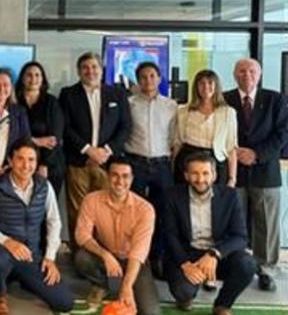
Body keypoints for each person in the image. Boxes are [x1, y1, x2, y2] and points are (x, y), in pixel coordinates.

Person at [0, 138, 74, 315]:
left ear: (36, 163)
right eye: (20, 159)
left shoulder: (44, 186)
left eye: (31, 160)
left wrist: (50, 257)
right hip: (3, 251)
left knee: (64, 302)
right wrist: (8, 242)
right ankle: (0, 292)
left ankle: (21, 279)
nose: (26, 165)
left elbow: (54, 221)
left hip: (31, 256)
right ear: (10, 160)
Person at [163, 152, 258, 315]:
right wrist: (185, 264)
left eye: (205, 173)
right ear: (186, 175)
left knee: (247, 264)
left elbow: (240, 236)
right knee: (183, 292)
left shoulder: (229, 196)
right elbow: (169, 235)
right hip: (187, 254)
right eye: (195, 173)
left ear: (214, 175)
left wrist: (214, 254)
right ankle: (187, 295)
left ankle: (222, 307)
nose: (200, 179)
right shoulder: (172, 196)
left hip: (216, 254)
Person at [224, 58, 288, 292]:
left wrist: (257, 154)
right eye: (242, 71)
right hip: (234, 171)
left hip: (265, 171)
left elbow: (283, 133)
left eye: (252, 71)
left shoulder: (275, 99)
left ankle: (266, 269)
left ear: (259, 75)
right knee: (234, 222)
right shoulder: (224, 99)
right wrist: (236, 153)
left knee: (267, 223)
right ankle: (236, 266)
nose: (247, 75)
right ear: (235, 75)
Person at [74, 157, 160, 315]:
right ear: (107, 176)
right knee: (81, 258)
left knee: (150, 313)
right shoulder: (91, 200)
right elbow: (82, 235)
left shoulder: (145, 209)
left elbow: (138, 252)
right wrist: (105, 255)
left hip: (133, 261)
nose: (120, 181)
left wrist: (127, 287)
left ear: (132, 179)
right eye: (115, 175)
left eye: (125, 176)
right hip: (105, 256)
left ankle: (123, 285)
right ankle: (102, 285)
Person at [59, 52, 131, 249]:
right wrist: (88, 150)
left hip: (108, 164)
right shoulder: (68, 94)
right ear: (78, 71)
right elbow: (65, 127)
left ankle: (104, 252)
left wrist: (105, 151)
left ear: (101, 70)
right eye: (85, 67)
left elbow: (125, 127)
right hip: (78, 162)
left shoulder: (117, 94)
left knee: (106, 210)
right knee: (78, 210)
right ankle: (80, 253)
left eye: (94, 67)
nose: (90, 71)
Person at [124, 61, 177, 276]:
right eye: (143, 77)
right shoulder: (129, 104)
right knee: (132, 212)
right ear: (138, 80)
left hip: (161, 164)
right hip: (135, 162)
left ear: (159, 78)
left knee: (161, 213)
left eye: (152, 76)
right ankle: (134, 257)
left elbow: (174, 137)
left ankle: (156, 256)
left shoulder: (171, 105)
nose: (148, 80)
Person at [172, 70, 237, 187]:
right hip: (188, 159)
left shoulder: (228, 112)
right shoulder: (183, 111)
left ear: (216, 86)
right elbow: (177, 143)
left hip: (216, 161)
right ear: (196, 87)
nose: (206, 87)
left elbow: (231, 148)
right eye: (201, 83)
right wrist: (171, 169)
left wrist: (232, 178)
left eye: (210, 83)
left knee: (215, 197)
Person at [15, 61, 65, 195]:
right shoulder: (14, 101)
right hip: (20, 164)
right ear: (22, 78)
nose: (33, 79)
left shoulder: (52, 103)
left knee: (45, 204)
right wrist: (35, 141)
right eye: (29, 75)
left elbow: (55, 139)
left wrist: (44, 164)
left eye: (37, 75)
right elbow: (11, 135)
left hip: (49, 165)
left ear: (43, 79)